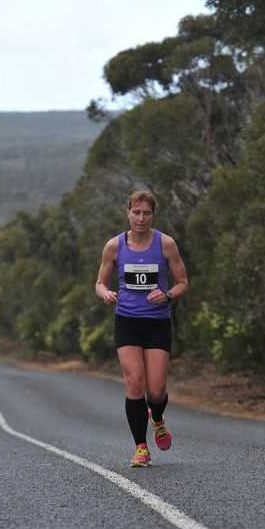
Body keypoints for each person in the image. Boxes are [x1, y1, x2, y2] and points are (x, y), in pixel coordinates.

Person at [95, 190, 188, 468]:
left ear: (153, 215)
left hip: (157, 322)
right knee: (134, 381)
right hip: (127, 321)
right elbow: (99, 282)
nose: (141, 218)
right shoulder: (114, 246)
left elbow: (183, 282)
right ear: (128, 213)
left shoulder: (165, 244)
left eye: (146, 213)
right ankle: (141, 447)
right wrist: (105, 294)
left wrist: (168, 294)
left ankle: (157, 418)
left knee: (156, 390)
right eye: (136, 212)